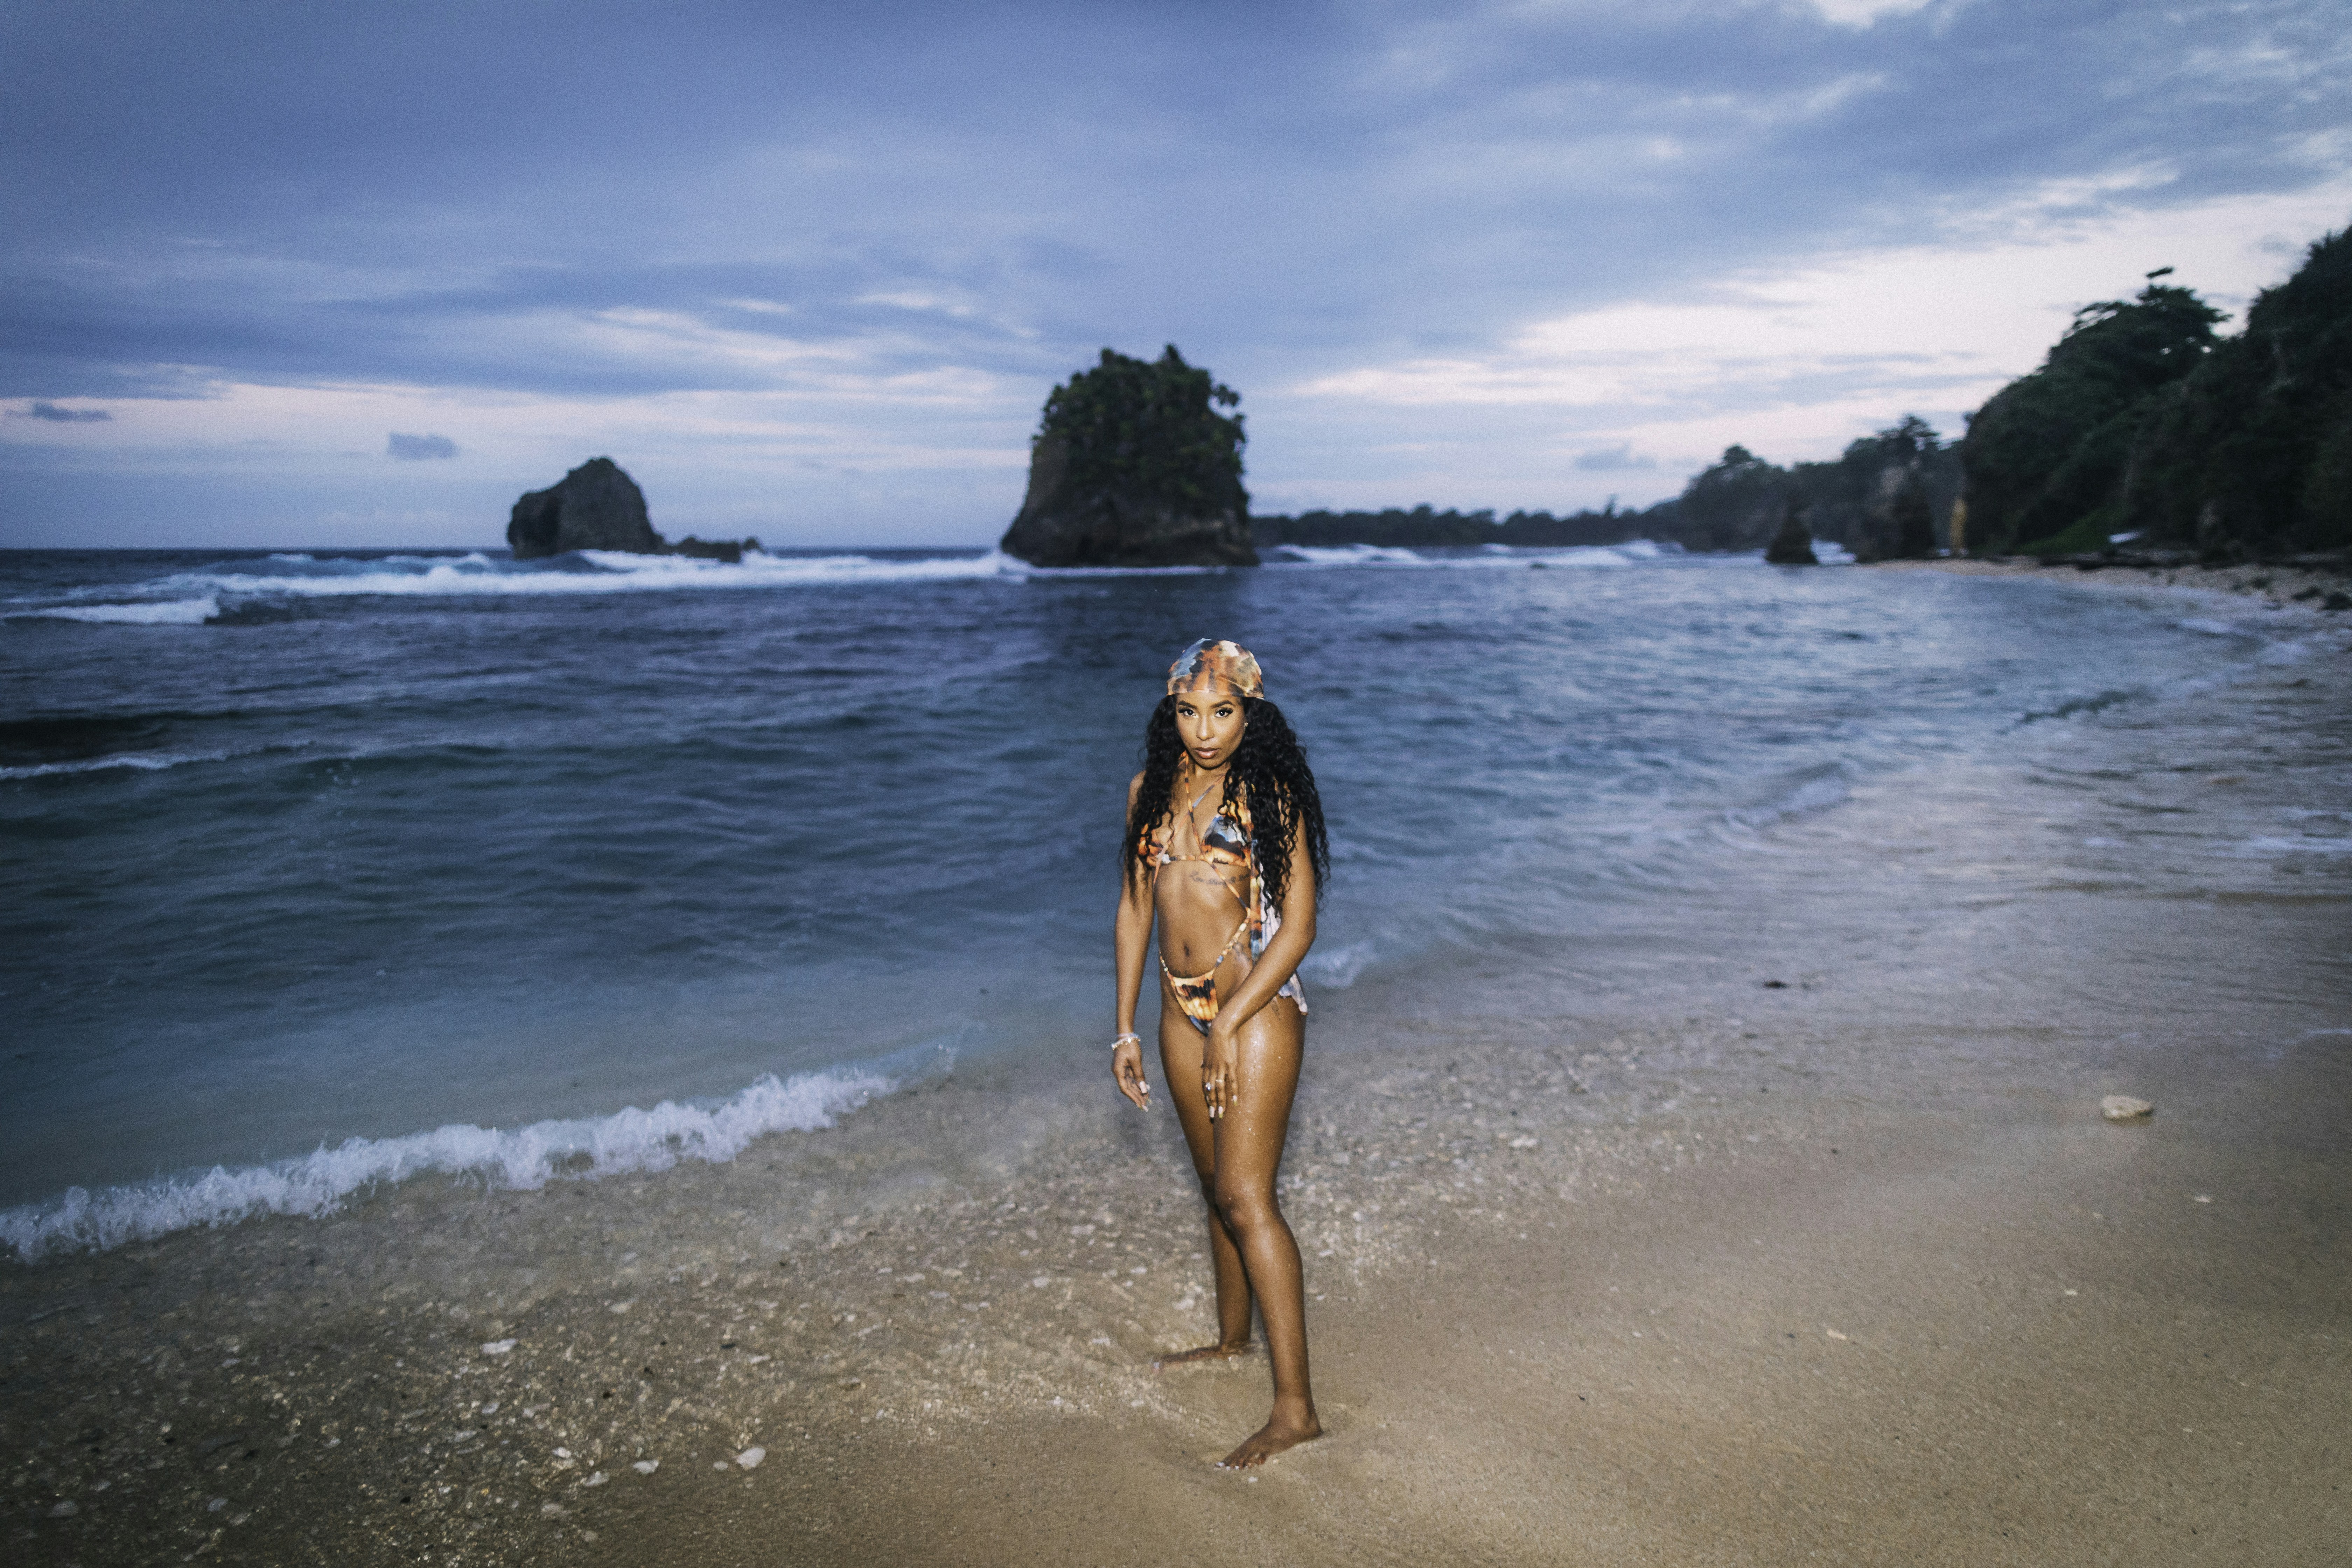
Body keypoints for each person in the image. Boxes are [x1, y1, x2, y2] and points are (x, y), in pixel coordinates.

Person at [1112, 638, 1330, 1468]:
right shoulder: (1148, 791)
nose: (1204, 729)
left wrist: (1232, 1022)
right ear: (1171, 708)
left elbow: (1300, 928)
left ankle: (1297, 1409)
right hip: (1175, 1010)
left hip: (1257, 1006)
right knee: (1213, 1187)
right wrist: (1124, 1026)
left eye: (1224, 711)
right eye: (1188, 710)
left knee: (1247, 1196)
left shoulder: (1268, 791)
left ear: (1253, 711)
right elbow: (1135, 909)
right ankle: (1231, 1342)